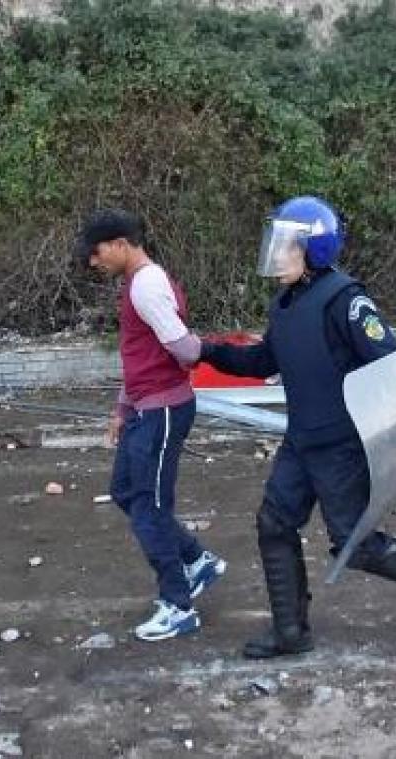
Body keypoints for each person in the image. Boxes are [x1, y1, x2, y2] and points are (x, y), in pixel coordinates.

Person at [198, 195, 396, 659]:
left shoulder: (346, 301)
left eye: (287, 246)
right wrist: (206, 351)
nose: (277, 255)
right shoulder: (286, 304)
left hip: (343, 447)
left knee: (355, 545)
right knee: (274, 523)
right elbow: (264, 361)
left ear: (314, 249)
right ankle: (290, 631)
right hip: (301, 441)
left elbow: (391, 368)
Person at [74, 208, 227, 642]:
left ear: (121, 244)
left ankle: (178, 606)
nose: (93, 261)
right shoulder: (136, 284)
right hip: (145, 408)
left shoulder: (147, 285)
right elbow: (141, 355)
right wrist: (122, 409)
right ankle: (196, 561)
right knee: (126, 491)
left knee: (150, 509)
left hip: (162, 411)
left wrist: (210, 354)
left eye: (97, 252)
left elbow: (184, 349)